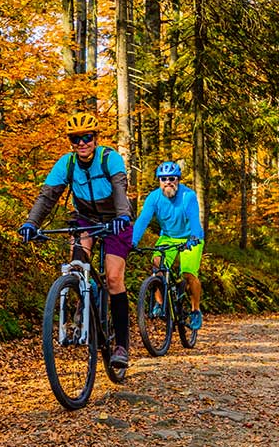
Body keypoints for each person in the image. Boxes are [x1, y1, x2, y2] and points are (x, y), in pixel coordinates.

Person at [18, 112, 135, 368]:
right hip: (85, 218)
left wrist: (122, 216)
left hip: (116, 219)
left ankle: (122, 346)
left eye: (87, 137)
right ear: (71, 141)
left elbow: (120, 190)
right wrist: (31, 223)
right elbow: (47, 196)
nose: (82, 143)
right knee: (77, 265)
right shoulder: (67, 163)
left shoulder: (109, 158)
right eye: (76, 139)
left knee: (114, 278)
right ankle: (84, 300)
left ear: (95, 138)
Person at [130, 161, 205, 330]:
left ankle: (195, 310)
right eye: (163, 179)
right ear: (159, 181)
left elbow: (194, 219)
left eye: (172, 178)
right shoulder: (154, 197)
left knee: (188, 273)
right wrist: (132, 242)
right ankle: (160, 304)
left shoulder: (188, 196)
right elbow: (143, 220)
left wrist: (193, 237)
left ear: (178, 180)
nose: (168, 182)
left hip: (191, 238)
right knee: (157, 265)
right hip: (168, 237)